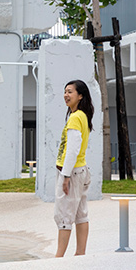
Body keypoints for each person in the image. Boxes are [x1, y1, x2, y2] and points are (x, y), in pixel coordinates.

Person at [54, 79, 94, 257]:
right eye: (65, 91)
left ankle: (59, 256)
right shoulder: (82, 116)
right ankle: (80, 254)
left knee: (64, 215)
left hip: (73, 172)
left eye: (70, 92)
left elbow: (72, 150)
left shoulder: (76, 117)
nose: (66, 95)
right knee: (80, 214)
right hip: (81, 170)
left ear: (80, 96)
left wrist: (66, 175)